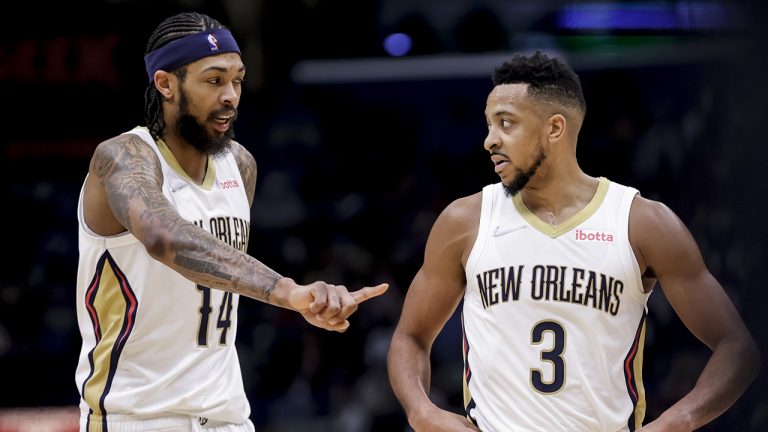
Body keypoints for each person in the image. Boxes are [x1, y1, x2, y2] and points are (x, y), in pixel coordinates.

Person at [387, 51, 759, 432]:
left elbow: (737, 348)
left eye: (506, 124)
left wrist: (676, 422)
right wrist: (422, 411)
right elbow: (411, 336)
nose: (489, 140)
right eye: (489, 125)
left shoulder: (640, 222)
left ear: (555, 128)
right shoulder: (464, 221)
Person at [74, 11, 388, 432]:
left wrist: (310, 300)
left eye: (237, 80)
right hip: (136, 414)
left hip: (227, 415)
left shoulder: (239, 165)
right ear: (165, 84)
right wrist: (288, 291)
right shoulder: (123, 157)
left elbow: (224, 270)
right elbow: (168, 239)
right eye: (213, 80)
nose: (231, 95)